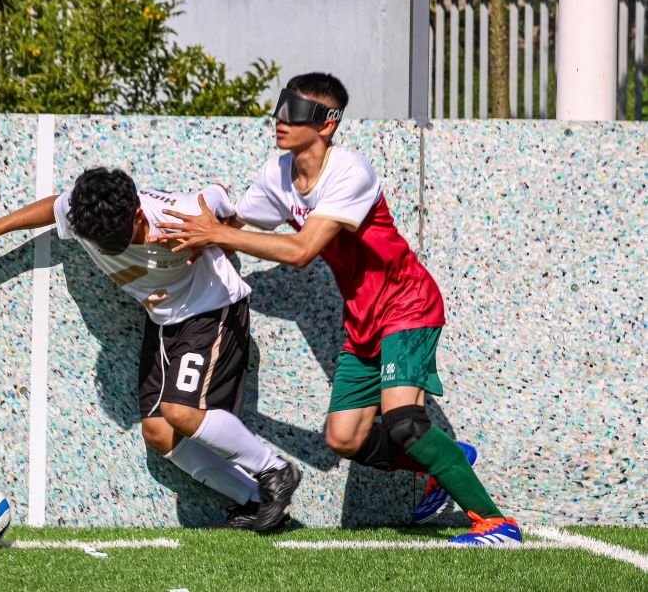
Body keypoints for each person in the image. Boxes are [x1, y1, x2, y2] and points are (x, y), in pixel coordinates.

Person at [156, 72, 522, 545]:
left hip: (407, 304)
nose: (281, 119)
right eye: (280, 107)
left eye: (296, 111)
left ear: (327, 124)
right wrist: (197, 224)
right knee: (344, 439)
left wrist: (220, 235)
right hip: (363, 318)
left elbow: (303, 249)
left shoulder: (350, 170)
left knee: (404, 423)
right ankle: (444, 457)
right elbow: (236, 217)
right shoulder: (278, 175)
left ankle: (495, 523)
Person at [0, 167, 300, 533]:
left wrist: (213, 235)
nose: (108, 248)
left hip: (210, 309)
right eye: (99, 242)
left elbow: (217, 195)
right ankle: (256, 500)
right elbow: (54, 206)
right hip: (164, 320)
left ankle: (275, 470)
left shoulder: (174, 214)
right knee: (160, 433)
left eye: (117, 238)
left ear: (136, 214)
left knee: (181, 412)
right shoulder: (84, 210)